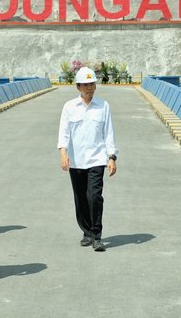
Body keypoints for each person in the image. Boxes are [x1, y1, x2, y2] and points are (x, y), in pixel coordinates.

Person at [57, 66, 117, 252]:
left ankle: (97, 235)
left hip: (97, 159)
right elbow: (64, 132)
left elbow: (108, 134)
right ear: (78, 87)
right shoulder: (69, 107)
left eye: (92, 84)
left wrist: (112, 156)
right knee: (81, 198)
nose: (89, 88)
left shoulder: (103, 106)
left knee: (94, 196)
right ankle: (87, 231)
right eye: (85, 85)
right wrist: (63, 153)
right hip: (76, 161)